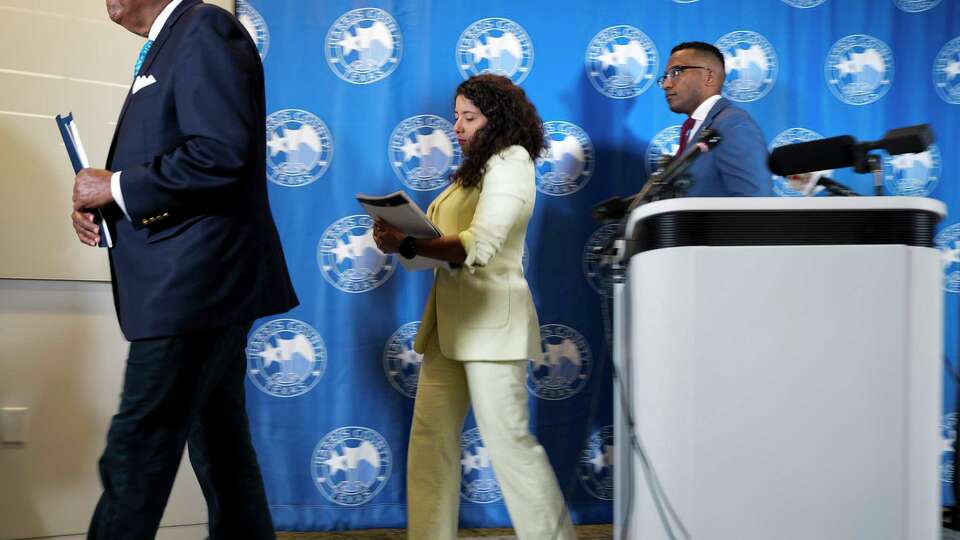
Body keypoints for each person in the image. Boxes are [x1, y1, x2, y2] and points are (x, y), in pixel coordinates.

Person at [70, 1, 298, 538]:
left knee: (137, 449)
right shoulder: (171, 41)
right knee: (221, 448)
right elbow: (179, 158)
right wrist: (109, 204)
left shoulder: (204, 28)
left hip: (198, 285)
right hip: (197, 285)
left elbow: (220, 153)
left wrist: (117, 186)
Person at [372, 74, 576, 540]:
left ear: (497, 119)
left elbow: (477, 248)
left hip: (489, 326)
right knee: (430, 443)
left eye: (469, 117)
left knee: (510, 446)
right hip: (448, 328)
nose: (458, 127)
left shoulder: (511, 161)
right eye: (456, 118)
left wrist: (407, 242)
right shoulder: (475, 169)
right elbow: (443, 251)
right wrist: (401, 243)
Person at [658, 41, 772, 196]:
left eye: (676, 72)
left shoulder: (733, 125)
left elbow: (754, 202)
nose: (666, 84)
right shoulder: (694, 128)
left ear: (709, 77)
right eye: (665, 77)